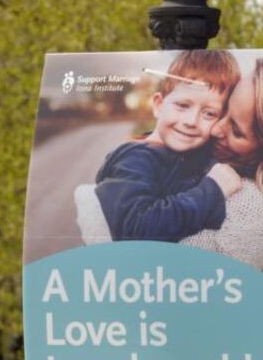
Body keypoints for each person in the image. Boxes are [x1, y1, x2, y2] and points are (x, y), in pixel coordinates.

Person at [77, 50, 243, 244]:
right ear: (158, 105)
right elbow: (137, 230)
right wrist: (213, 190)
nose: (191, 121)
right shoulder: (134, 159)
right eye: (183, 105)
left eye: (209, 114)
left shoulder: (195, 152)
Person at [180, 53, 263, 290]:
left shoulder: (256, 206)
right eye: (224, 111)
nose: (215, 130)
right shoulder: (204, 159)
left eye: (237, 131)